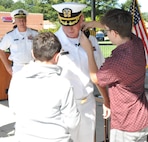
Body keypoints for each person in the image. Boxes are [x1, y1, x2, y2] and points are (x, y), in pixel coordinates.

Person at [80, 8, 148, 142]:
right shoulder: (136, 42)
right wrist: (92, 24)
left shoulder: (117, 62)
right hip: (142, 119)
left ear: (115, 33)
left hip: (125, 126)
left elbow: (95, 78)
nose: (105, 33)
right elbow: (120, 26)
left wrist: (88, 50)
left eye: (106, 31)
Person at [8, 32, 80, 142]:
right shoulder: (63, 84)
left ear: (32, 53)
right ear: (57, 57)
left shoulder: (17, 78)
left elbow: (14, 110)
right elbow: (73, 122)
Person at [52, 2, 105, 142]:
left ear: (81, 19)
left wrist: (107, 99)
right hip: (62, 106)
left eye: (73, 23)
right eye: (65, 23)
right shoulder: (53, 42)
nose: (69, 28)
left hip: (87, 102)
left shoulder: (91, 40)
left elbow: (100, 72)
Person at [0, 9, 38, 75]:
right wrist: (8, 67)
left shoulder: (35, 34)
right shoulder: (10, 36)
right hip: (18, 68)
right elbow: (1, 50)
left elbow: (41, 49)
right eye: (19, 20)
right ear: (15, 21)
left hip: (32, 66)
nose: (21, 22)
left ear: (26, 20)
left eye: (23, 20)